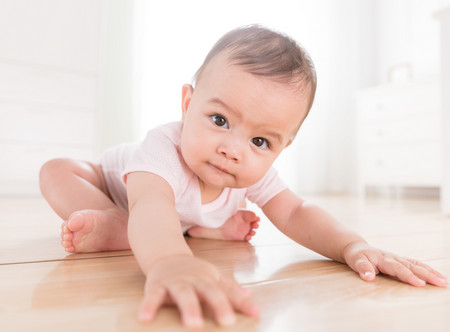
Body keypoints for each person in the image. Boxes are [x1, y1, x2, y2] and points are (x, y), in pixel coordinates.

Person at [39, 25, 447, 328]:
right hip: (113, 186)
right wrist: (169, 262)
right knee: (55, 171)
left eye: (260, 141)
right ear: (187, 103)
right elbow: (151, 204)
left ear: (282, 147)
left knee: (166, 220)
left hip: (164, 217)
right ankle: (117, 221)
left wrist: (353, 245)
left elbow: (297, 211)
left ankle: (177, 228)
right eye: (219, 120)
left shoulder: (248, 171)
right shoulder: (164, 146)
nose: (233, 149)